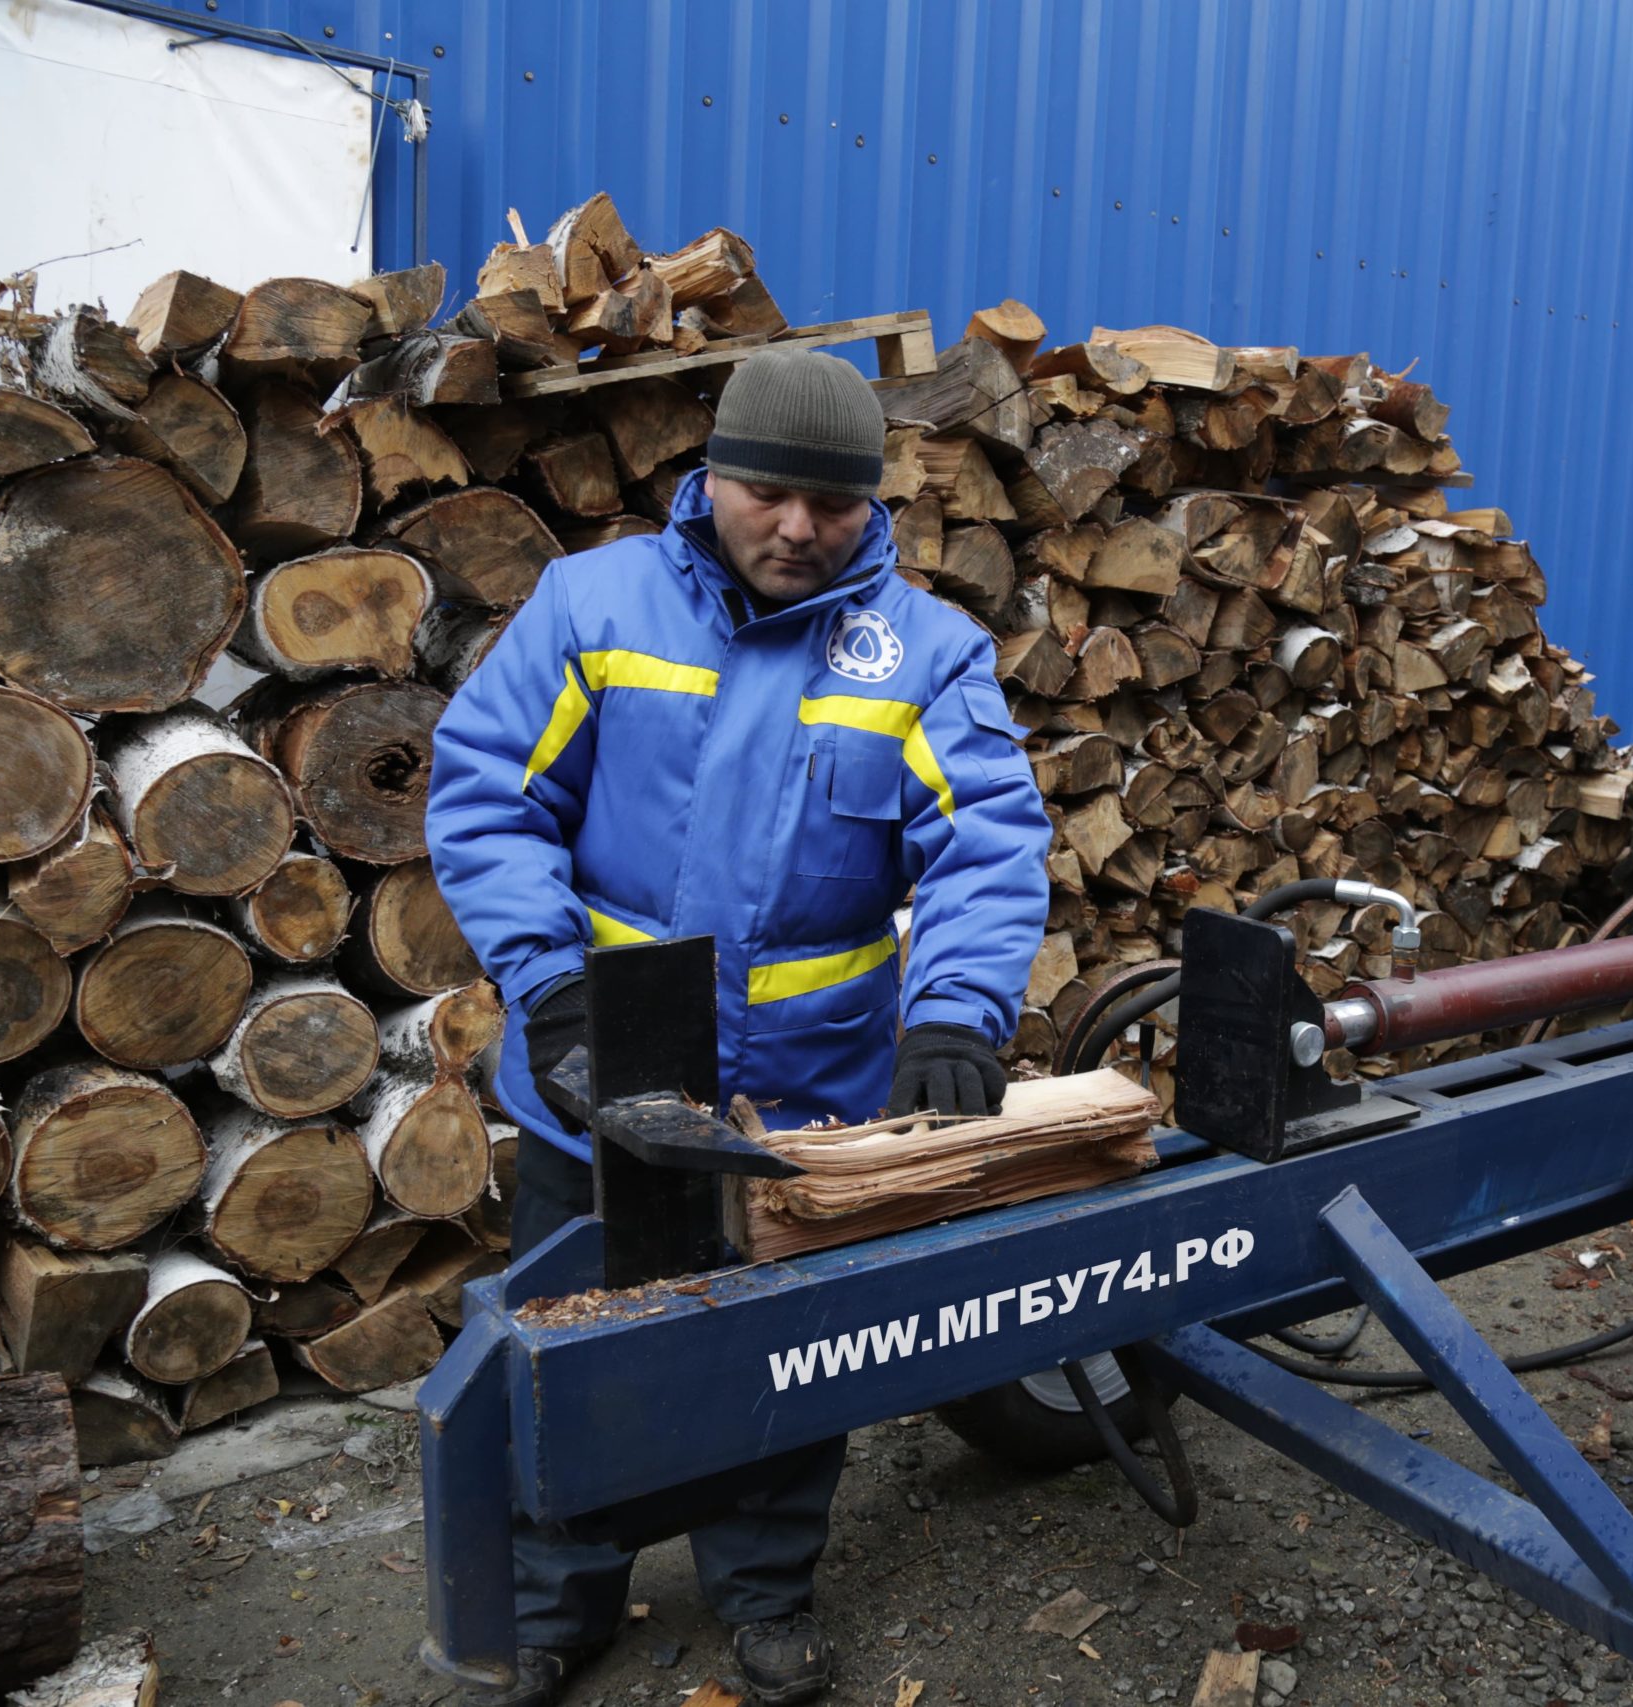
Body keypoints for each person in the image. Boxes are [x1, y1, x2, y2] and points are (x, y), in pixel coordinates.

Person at [426, 349, 1051, 1705]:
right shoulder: (595, 608)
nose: (798, 530)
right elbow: (489, 798)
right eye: (768, 493)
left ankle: (765, 1594)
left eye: (831, 504)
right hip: (601, 1080)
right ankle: (555, 1605)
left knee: (788, 1357)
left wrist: (955, 1011)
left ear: (869, 504)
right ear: (712, 477)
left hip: (806, 1105)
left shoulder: (927, 652)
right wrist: (548, 982)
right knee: (573, 1355)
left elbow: (984, 849)